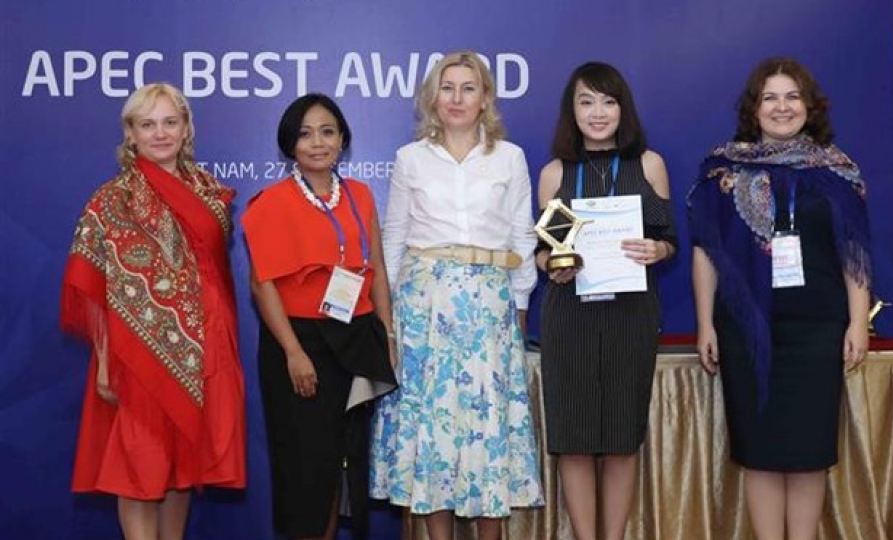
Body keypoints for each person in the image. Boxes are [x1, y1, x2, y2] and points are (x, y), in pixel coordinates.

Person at [688, 57, 872, 540]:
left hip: (817, 331)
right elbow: (706, 252)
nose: (782, 107)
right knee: (760, 455)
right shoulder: (722, 172)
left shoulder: (838, 171)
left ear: (810, 106)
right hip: (746, 332)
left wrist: (858, 322)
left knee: (810, 455)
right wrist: (705, 324)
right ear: (754, 108)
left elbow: (854, 251)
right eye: (770, 97)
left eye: (793, 96)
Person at [369, 50, 544, 540]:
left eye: (468, 88)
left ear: (485, 97)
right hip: (424, 309)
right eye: (447, 88)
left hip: (490, 306)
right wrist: (390, 320)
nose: (457, 98)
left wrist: (521, 303)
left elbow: (522, 235)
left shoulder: (509, 157)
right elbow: (394, 238)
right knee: (435, 430)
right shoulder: (411, 159)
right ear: (433, 97)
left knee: (488, 429)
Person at [59, 83, 246, 540]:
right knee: (139, 469)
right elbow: (93, 287)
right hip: (136, 354)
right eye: (147, 124)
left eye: (169, 122)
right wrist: (106, 362)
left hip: (204, 349)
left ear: (186, 128)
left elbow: (214, 275)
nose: (160, 133)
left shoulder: (210, 192)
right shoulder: (112, 200)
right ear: (131, 133)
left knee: (183, 466)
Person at [241, 93, 397, 540]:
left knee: (341, 464)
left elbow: (376, 269)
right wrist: (293, 352)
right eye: (305, 134)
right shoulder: (270, 202)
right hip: (299, 344)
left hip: (354, 341)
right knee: (305, 470)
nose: (317, 143)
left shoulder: (360, 195)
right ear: (290, 144)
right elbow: (262, 284)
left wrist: (387, 333)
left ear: (342, 140)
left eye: (327, 132)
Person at [536, 61, 677, 540]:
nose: (598, 112)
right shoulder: (555, 173)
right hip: (570, 317)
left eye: (608, 101)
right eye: (586, 101)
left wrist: (658, 251)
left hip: (630, 315)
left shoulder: (649, 165)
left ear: (623, 109)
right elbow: (543, 252)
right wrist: (554, 266)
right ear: (571, 111)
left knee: (621, 438)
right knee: (573, 440)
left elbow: (669, 239)